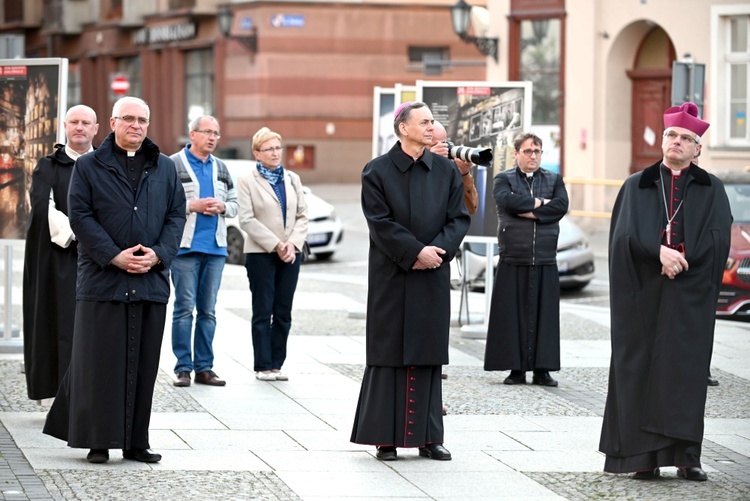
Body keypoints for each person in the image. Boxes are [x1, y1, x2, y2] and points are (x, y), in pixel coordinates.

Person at [43, 96, 186, 464]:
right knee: (100, 365)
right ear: (112, 122)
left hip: (150, 281)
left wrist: (159, 253)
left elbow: (176, 215)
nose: (135, 125)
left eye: (142, 119)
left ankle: (136, 442)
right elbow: (81, 216)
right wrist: (114, 256)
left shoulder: (166, 167)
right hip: (102, 281)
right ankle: (98, 441)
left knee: (144, 365)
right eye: (128, 119)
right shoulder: (90, 166)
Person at [599, 102, 732, 482]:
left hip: (688, 298)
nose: (676, 142)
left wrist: (681, 257)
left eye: (685, 138)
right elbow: (621, 237)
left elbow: (719, 238)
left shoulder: (711, 189)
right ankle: (642, 457)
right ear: (663, 140)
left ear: (697, 148)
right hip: (642, 296)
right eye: (671, 135)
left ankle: (687, 456)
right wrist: (655, 252)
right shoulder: (636, 185)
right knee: (638, 370)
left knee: (684, 373)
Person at [350, 101, 470, 461]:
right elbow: (380, 223)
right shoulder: (377, 171)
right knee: (389, 354)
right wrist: (415, 251)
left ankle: (429, 437)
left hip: (432, 274)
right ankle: (384, 437)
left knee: (428, 354)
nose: (432, 127)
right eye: (425, 121)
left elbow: (458, 219)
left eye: (433, 121)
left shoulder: (447, 172)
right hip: (392, 275)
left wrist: (438, 252)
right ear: (403, 128)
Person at [22, 104, 98, 401]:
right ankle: (62, 391)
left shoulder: (106, 164)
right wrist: (82, 236)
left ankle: (93, 389)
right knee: (62, 321)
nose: (79, 127)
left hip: (102, 259)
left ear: (96, 128)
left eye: (85, 123)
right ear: (65, 126)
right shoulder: (49, 165)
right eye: (74, 122)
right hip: (61, 257)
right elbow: (45, 207)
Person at [483, 132, 569, 387]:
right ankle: (516, 369)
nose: (533, 156)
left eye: (537, 151)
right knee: (512, 315)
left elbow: (561, 206)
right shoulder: (503, 179)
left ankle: (543, 369)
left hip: (544, 257)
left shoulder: (554, 179)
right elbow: (508, 202)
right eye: (528, 151)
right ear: (516, 153)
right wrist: (541, 203)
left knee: (546, 317)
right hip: (514, 255)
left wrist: (531, 210)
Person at [170, 116, 238, 388]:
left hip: (216, 249)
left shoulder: (221, 167)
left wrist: (223, 207)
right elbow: (163, 202)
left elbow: (235, 204)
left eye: (216, 134)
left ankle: (205, 368)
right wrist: (191, 206)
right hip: (185, 248)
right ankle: (183, 368)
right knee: (184, 309)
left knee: (208, 311)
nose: (212, 137)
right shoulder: (173, 164)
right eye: (207, 132)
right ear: (192, 134)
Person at [237, 127, 308, 382]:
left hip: (291, 253)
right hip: (261, 254)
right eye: (269, 149)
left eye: (278, 147)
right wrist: (276, 243)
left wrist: (292, 243)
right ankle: (263, 365)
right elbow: (246, 219)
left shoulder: (292, 178)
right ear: (257, 153)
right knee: (262, 310)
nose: (275, 153)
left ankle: (277, 364)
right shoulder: (247, 180)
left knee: (283, 311)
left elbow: (302, 215)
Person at [430, 120, 479, 215]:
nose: (442, 148)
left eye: (444, 143)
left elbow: (471, 208)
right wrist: (429, 160)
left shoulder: (449, 169)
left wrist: (464, 174)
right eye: (435, 145)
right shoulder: (408, 165)